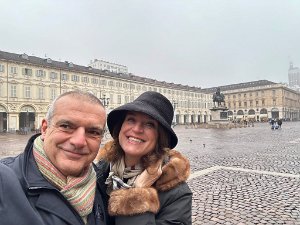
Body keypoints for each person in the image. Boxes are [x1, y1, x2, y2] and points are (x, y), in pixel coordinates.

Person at [0, 90, 112, 225]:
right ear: (44, 129)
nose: (79, 141)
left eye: (93, 132)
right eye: (66, 126)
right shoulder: (4, 183)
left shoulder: (103, 184)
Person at [95, 91, 192, 225]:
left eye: (149, 124)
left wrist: (138, 194)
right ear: (121, 126)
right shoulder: (100, 171)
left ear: (160, 137)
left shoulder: (177, 195)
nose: (137, 129)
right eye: (131, 119)